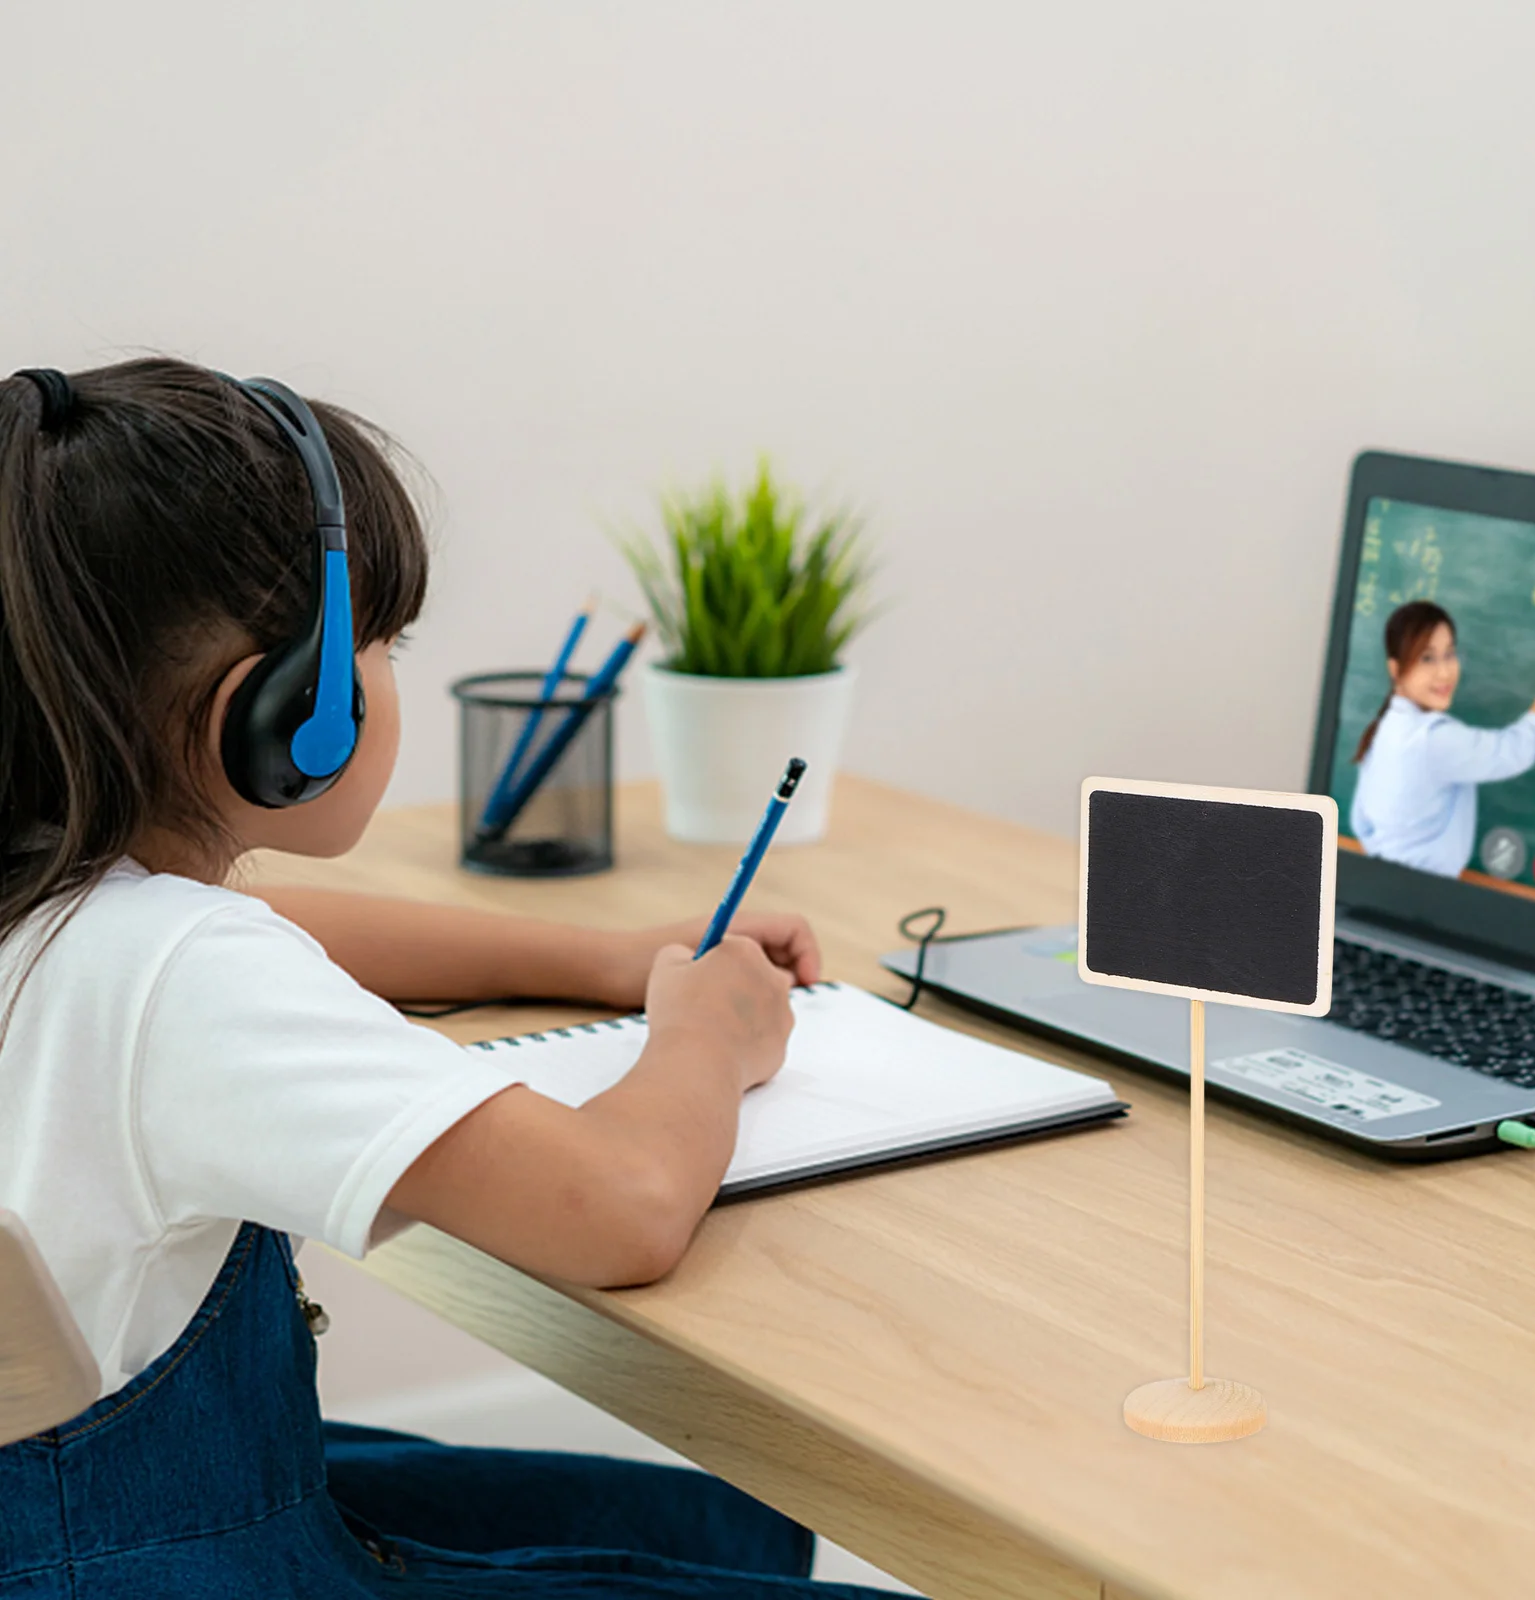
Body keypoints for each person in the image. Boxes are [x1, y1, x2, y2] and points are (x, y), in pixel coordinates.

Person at [0, 359, 902, 1597]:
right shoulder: (184, 974)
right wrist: (709, 1036)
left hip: (63, 1522)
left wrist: (599, 958)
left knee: (689, 1518)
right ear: (287, 714)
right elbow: (621, 1209)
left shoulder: (58, 906)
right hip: (187, 1563)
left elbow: (256, 930)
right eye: (375, 644)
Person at [1350, 599, 1535, 878]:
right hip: (1421, 897)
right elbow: (1516, 750)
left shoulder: (1384, 728)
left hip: (1379, 883)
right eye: (1427, 658)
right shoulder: (1433, 740)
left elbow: (1360, 822)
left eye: (1449, 654)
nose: (1445, 672)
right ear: (1395, 669)